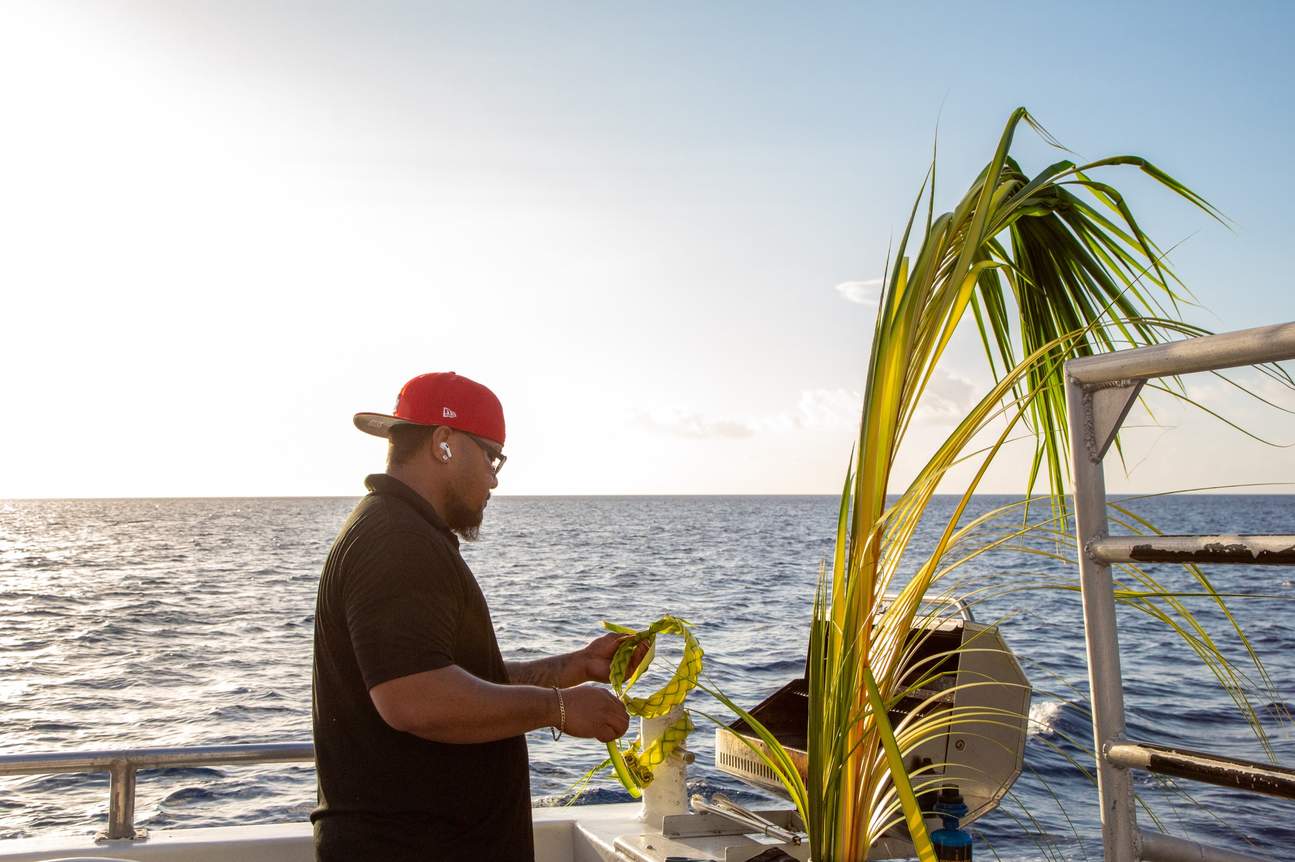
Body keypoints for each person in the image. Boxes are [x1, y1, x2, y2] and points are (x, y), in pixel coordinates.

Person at [311, 371, 634, 861]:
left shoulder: (399, 530)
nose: (495, 477)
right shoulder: (397, 541)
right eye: (491, 455)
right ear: (444, 443)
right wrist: (560, 707)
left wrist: (572, 668)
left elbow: (447, 678)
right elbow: (416, 699)